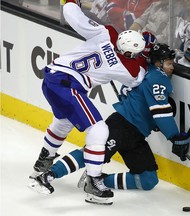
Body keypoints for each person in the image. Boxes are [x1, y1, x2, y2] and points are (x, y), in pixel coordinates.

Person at [28, 0, 155, 205]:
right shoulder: (128, 67)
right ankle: (94, 182)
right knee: (99, 130)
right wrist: (146, 56)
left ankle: (43, 162)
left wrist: (70, 2)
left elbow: (74, 16)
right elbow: (139, 77)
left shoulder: (108, 33)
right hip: (69, 85)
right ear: (132, 53)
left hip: (51, 77)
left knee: (62, 122)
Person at [28, 43, 190, 201]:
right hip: (121, 126)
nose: (172, 67)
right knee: (91, 154)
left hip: (136, 135)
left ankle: (98, 181)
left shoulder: (145, 72)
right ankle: (48, 176)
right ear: (158, 63)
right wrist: (174, 136)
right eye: (169, 63)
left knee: (148, 179)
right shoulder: (158, 77)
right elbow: (160, 112)